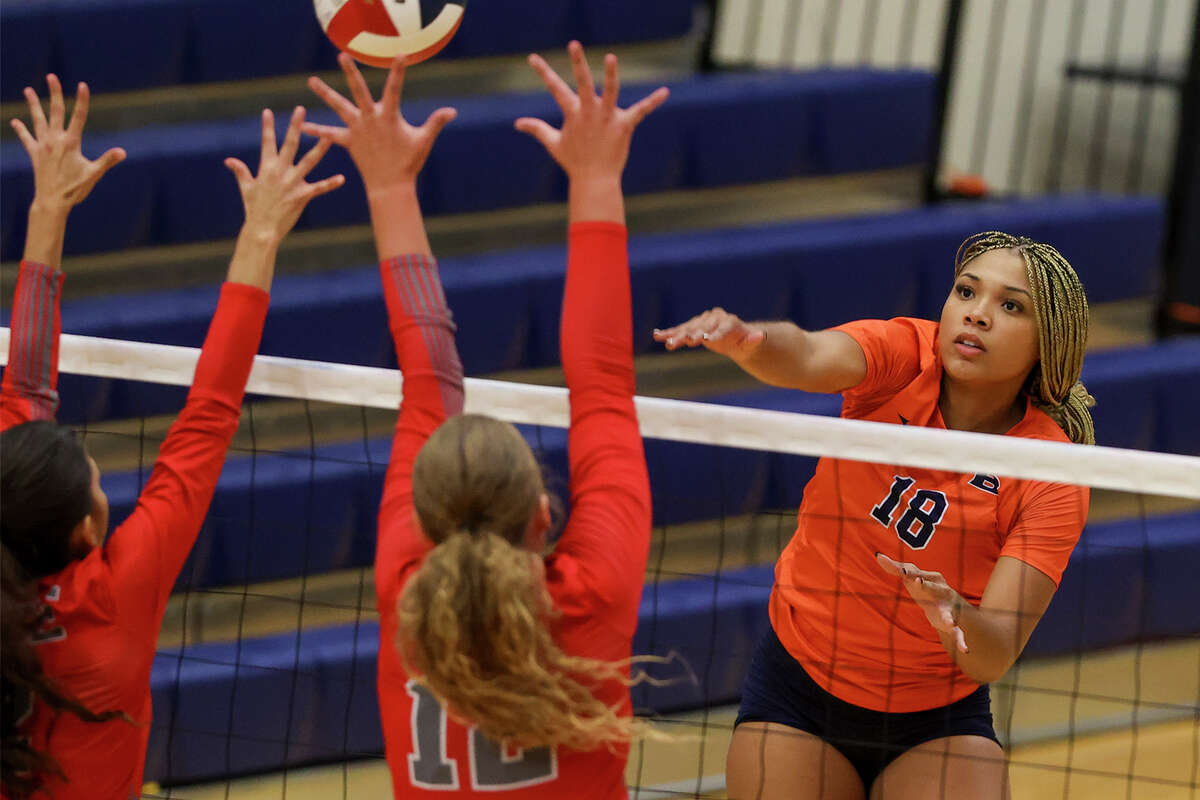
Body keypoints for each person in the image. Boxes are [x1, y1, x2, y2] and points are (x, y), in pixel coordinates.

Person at [302, 43, 668, 798]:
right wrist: (597, 177)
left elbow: (433, 377)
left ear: (425, 520)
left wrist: (387, 188)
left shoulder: (408, 590)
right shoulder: (590, 589)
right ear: (543, 515)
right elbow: (600, 382)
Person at [654, 233, 1094, 799]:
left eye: (1011, 306)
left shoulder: (1050, 471)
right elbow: (808, 354)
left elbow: (992, 656)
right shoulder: (905, 357)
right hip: (800, 689)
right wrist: (752, 341)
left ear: (1046, 344)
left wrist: (951, 612)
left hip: (935, 720)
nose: (977, 314)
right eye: (966, 292)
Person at [0, 76, 344, 800]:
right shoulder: (115, 595)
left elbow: (25, 390)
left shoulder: (18, 514)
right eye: (97, 484)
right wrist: (260, 235)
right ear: (85, 533)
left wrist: (47, 208)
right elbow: (208, 415)